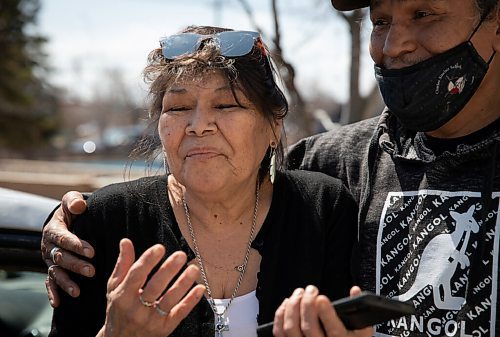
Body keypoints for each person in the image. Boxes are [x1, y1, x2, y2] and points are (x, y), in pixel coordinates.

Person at [43, 0, 500, 335]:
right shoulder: (337, 164)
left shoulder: (320, 203)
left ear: (272, 125)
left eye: (425, 14)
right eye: (379, 20)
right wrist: (61, 224)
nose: (394, 43)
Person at [45, 25, 371, 337]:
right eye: (179, 106)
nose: (198, 125)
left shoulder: (322, 209)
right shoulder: (103, 222)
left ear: (273, 127)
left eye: (226, 104)